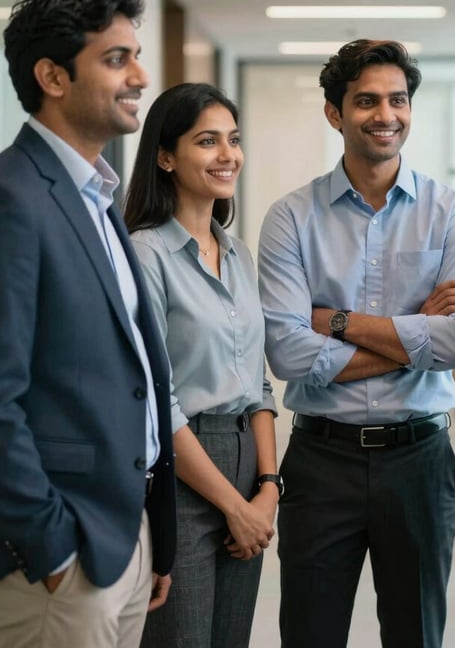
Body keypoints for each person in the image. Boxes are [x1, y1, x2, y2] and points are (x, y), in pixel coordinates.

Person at [258, 39, 455, 648]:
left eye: (398, 100)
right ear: (335, 113)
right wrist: (416, 331)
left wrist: (335, 321)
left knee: (416, 636)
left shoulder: (450, 212)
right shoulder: (291, 217)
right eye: (366, 101)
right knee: (309, 634)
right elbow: (285, 352)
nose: (385, 114)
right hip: (320, 461)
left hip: (419, 458)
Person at [0, 0, 176, 648]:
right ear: (52, 76)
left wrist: (150, 534)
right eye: (117, 59)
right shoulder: (7, 198)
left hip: (124, 533)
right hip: (62, 555)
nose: (140, 77)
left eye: (137, 56)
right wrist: (51, 549)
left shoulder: (93, 193)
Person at [123, 82, 279, 648]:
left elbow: (258, 383)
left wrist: (267, 488)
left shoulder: (236, 251)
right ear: (166, 156)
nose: (227, 155)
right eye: (207, 141)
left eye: (233, 140)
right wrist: (235, 504)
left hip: (247, 465)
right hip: (182, 473)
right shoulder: (146, 254)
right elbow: (155, 401)